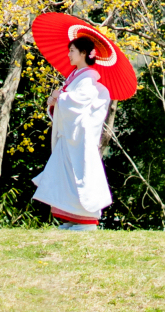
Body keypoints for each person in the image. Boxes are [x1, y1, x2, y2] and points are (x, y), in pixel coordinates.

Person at [32, 34, 113, 230]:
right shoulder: (76, 77)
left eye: (72, 51)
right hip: (70, 137)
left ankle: (86, 220)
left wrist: (61, 97)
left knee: (80, 175)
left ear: (84, 53)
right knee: (64, 175)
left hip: (79, 138)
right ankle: (72, 217)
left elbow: (78, 103)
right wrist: (56, 100)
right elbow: (68, 102)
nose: (68, 54)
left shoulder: (88, 79)